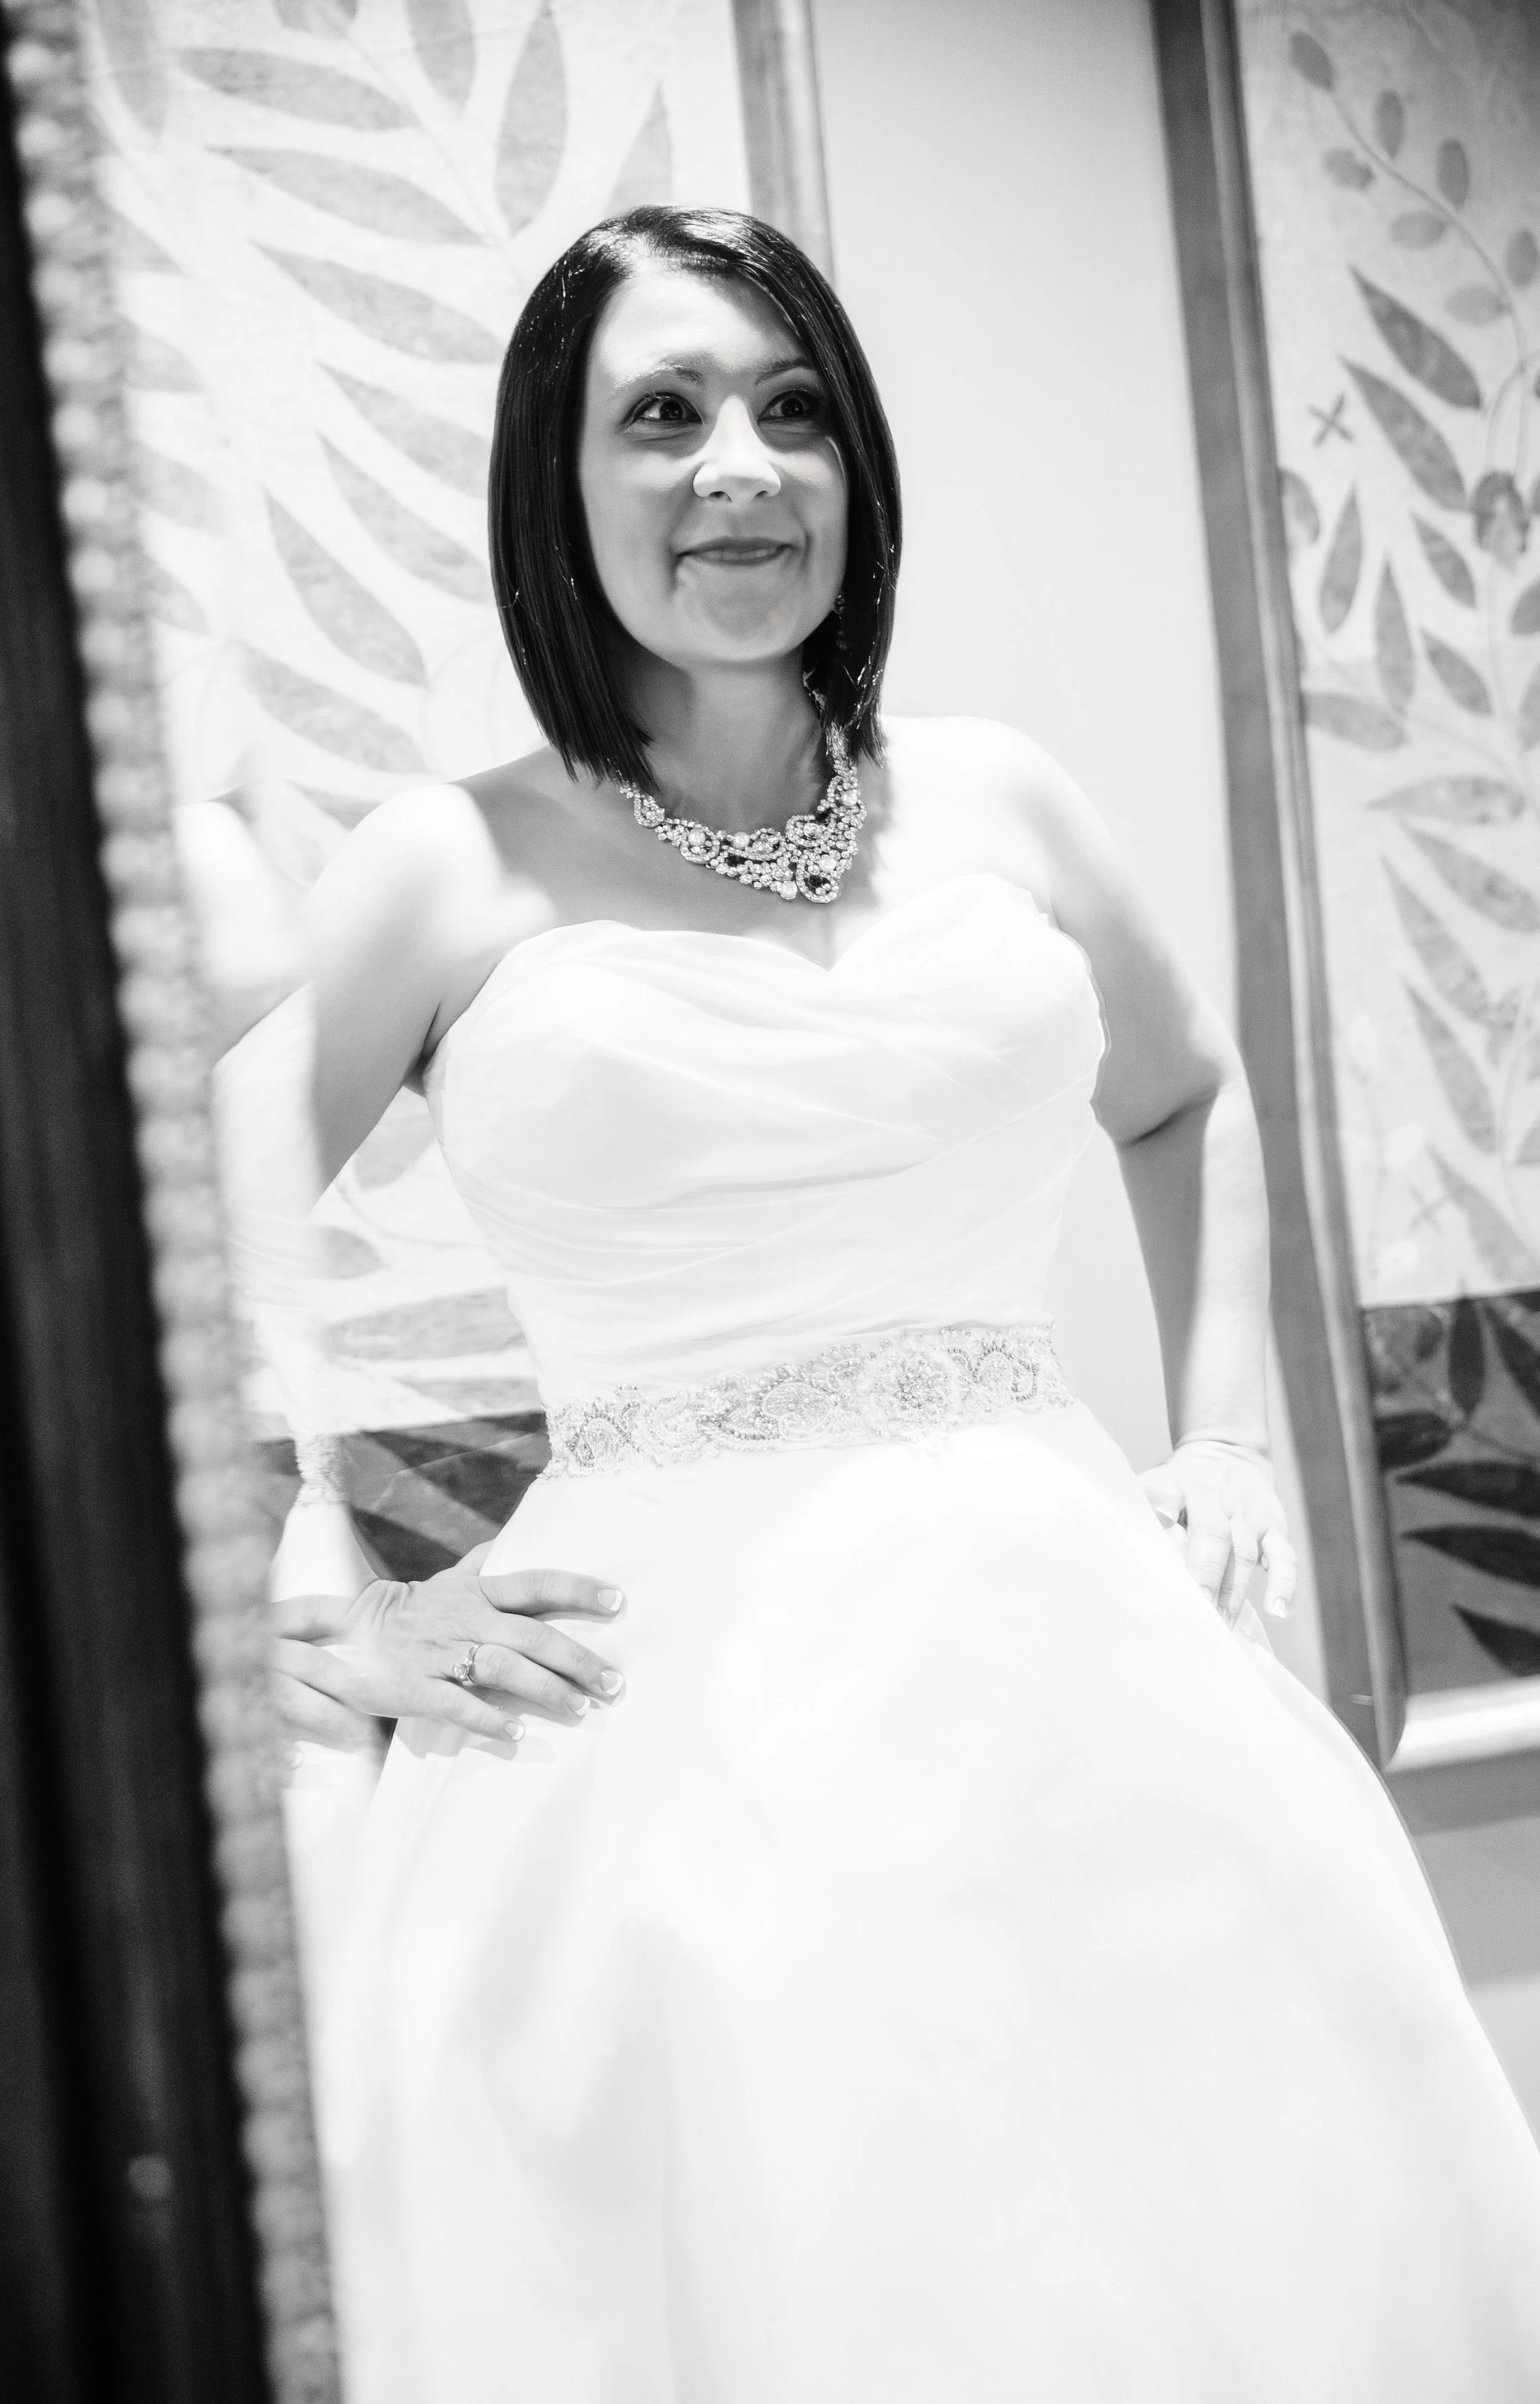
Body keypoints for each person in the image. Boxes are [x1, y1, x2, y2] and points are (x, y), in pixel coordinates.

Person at [272, 209, 1540, 2402]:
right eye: (657, 416)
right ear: (552, 490)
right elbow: (139, 1250)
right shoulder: (444, 861)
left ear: (856, 468)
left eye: (790, 411)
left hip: (1080, 1677)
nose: (737, 466)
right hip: (659, 1731)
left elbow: (1187, 1099)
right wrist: (314, 1622)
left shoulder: (1002, 800)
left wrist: (1220, 1434)